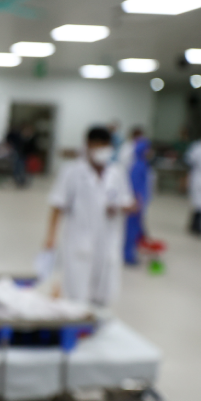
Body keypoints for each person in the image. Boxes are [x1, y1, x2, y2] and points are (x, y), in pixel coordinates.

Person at [43, 126, 135, 307]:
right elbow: (57, 204)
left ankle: (96, 318)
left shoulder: (117, 173)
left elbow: (127, 201)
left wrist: (121, 207)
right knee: (76, 291)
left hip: (108, 240)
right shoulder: (72, 172)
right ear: (88, 145)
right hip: (79, 241)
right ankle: (76, 319)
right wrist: (50, 237)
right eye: (98, 145)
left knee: (104, 291)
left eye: (106, 145)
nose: (103, 150)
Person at [124, 138, 151, 265]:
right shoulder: (138, 166)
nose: (150, 152)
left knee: (137, 229)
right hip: (136, 203)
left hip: (140, 202)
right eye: (148, 149)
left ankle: (133, 252)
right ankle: (127, 255)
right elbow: (134, 186)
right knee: (132, 229)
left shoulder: (143, 164)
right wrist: (136, 201)